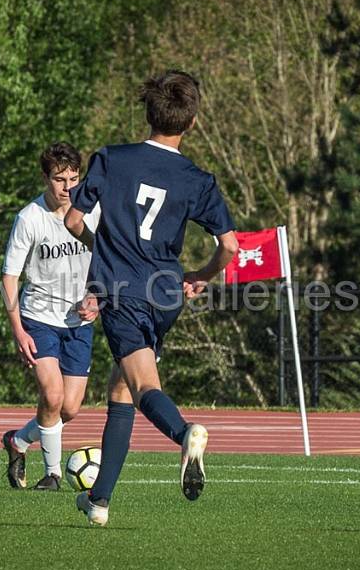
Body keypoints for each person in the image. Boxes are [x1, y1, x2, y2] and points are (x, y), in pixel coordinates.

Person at [64, 71, 238, 526]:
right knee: (120, 386)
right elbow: (232, 247)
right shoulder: (197, 179)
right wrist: (200, 275)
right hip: (165, 294)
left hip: (124, 293)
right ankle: (98, 502)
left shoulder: (111, 159)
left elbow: (73, 221)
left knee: (143, 387)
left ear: (147, 113)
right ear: (192, 123)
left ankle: (185, 433)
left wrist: (106, 247)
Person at [0, 142, 100, 491]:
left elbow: (107, 260)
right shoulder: (30, 217)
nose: (67, 187)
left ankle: (18, 442)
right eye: (59, 179)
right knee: (53, 396)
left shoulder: (92, 211)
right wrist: (18, 330)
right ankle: (53, 474)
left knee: (68, 409)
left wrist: (98, 297)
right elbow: (9, 276)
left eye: (74, 178)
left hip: (79, 323)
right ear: (46, 178)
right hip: (38, 318)